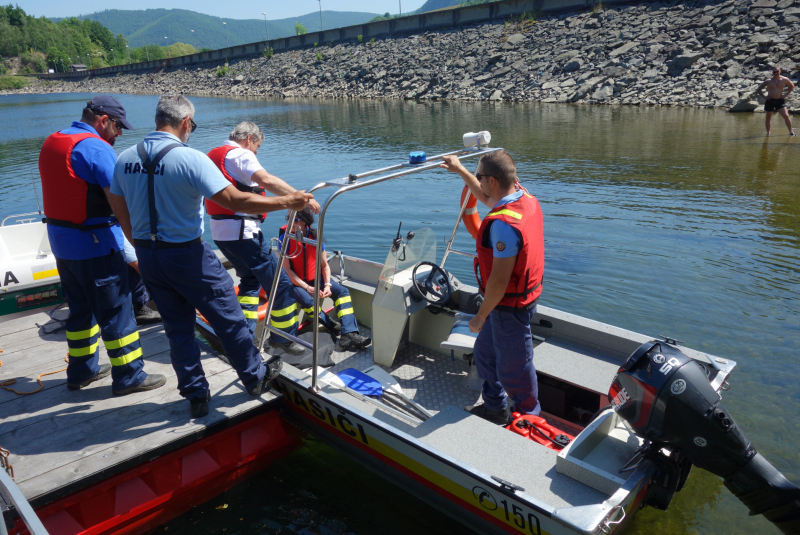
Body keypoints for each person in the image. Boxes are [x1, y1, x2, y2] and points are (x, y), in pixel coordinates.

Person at [110, 95, 313, 419]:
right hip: (187, 254)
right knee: (229, 318)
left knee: (178, 328)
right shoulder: (190, 159)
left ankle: (196, 395)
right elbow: (236, 201)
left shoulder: (124, 159)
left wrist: (145, 246)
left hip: (149, 256)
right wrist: (289, 201)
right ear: (186, 123)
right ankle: (255, 377)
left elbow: (120, 212)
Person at [38, 95, 166, 396]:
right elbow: (121, 203)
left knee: (80, 311)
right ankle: (130, 376)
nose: (119, 134)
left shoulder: (53, 142)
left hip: (63, 245)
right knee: (116, 311)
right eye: (118, 126)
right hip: (96, 246)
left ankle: (81, 371)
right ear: (103, 120)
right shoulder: (95, 148)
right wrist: (141, 245)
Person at [439, 151, 543, 425]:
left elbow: (497, 282)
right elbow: (485, 196)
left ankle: (530, 421)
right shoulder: (523, 196)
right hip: (505, 305)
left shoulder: (504, 227)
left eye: (481, 176)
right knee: (485, 356)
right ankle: (495, 409)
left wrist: (480, 316)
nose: (479, 182)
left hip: (509, 308)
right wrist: (461, 169)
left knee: (515, 370)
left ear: (494, 180)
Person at [205, 121, 319, 356]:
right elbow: (267, 180)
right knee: (281, 283)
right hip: (243, 233)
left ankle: (244, 335)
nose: (257, 151)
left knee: (249, 281)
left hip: (220, 234)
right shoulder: (241, 155)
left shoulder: (213, 155)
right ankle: (282, 338)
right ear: (249, 139)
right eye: (257, 145)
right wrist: (301, 197)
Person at [278, 208, 371, 351]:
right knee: (309, 301)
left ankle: (349, 333)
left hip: (316, 279)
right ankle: (330, 324)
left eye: (294, 220)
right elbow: (287, 271)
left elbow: (324, 265)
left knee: (342, 292)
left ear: (303, 223)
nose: (290, 223)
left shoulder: (315, 238)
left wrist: (327, 285)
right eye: (288, 219)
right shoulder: (284, 240)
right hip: (295, 282)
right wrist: (307, 288)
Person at [757, 67, 796, 136]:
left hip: (779, 100)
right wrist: (764, 97)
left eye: (777, 71)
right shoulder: (768, 81)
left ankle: (791, 132)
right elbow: (759, 89)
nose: (775, 73)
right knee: (768, 117)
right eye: (774, 72)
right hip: (770, 100)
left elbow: (791, 86)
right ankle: (768, 133)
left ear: (780, 71)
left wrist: (785, 95)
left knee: (786, 115)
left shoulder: (784, 79)